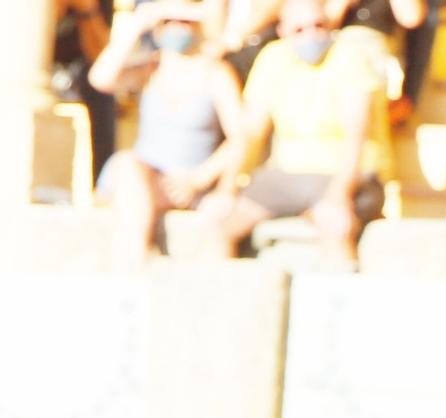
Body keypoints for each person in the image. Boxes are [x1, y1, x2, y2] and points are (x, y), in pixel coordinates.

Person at [196, 0, 391, 269]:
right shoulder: (272, 58)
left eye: (319, 26)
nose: (311, 35)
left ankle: (336, 305)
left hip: (346, 176)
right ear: (283, 31)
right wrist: (225, 189)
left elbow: (356, 138)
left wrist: (338, 196)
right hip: (287, 175)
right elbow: (250, 132)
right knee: (218, 226)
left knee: (334, 224)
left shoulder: (351, 57)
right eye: (300, 29)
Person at [87, 1, 245, 271]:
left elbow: (241, 137)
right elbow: (101, 79)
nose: (177, 28)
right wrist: (137, 26)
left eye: (184, 22)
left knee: (215, 228)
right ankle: (133, 267)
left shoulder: (216, 74)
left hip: (191, 182)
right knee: (127, 167)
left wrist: (198, 180)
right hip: (144, 178)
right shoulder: (150, 69)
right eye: (169, 22)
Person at [51, 0, 117, 186]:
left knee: (100, 92)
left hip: (81, 77)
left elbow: (101, 57)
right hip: (38, 70)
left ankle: (99, 183)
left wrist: (87, 10)